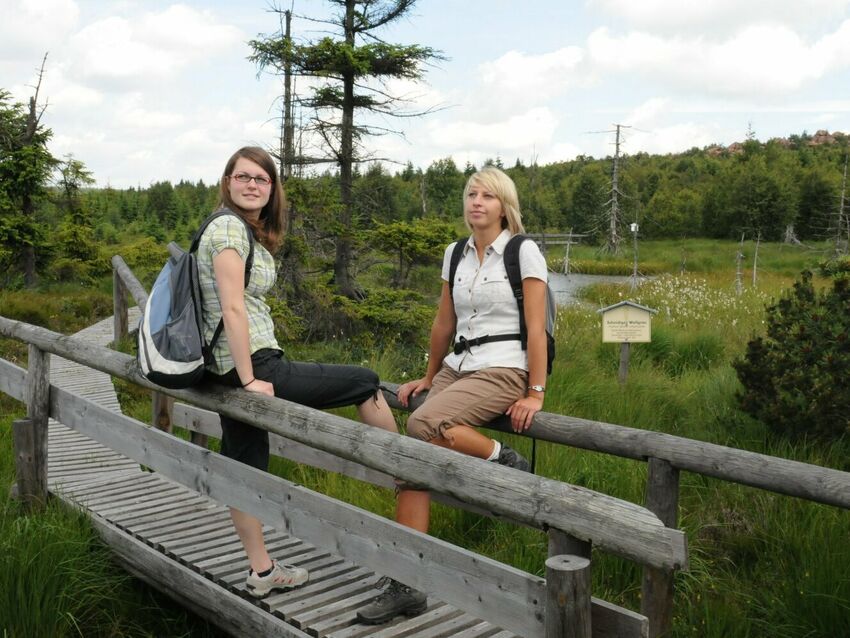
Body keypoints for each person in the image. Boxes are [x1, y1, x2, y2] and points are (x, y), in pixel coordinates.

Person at [197, 146, 400, 599]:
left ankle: (263, 572)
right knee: (365, 379)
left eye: (262, 180)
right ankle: (404, 471)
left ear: (272, 190)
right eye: (243, 177)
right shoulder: (229, 227)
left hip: (223, 370)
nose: (252, 185)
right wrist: (250, 378)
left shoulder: (224, 226)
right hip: (252, 364)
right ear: (228, 181)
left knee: (244, 464)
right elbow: (232, 305)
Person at [355, 166, 548, 625]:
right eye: (470, 194)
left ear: (505, 205)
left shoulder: (524, 252)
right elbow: (444, 322)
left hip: (504, 369)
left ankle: (503, 458)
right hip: (457, 367)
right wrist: (427, 376)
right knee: (411, 453)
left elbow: (536, 329)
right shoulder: (456, 253)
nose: (476, 202)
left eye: (487, 196)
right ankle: (408, 584)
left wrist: (536, 392)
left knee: (422, 425)